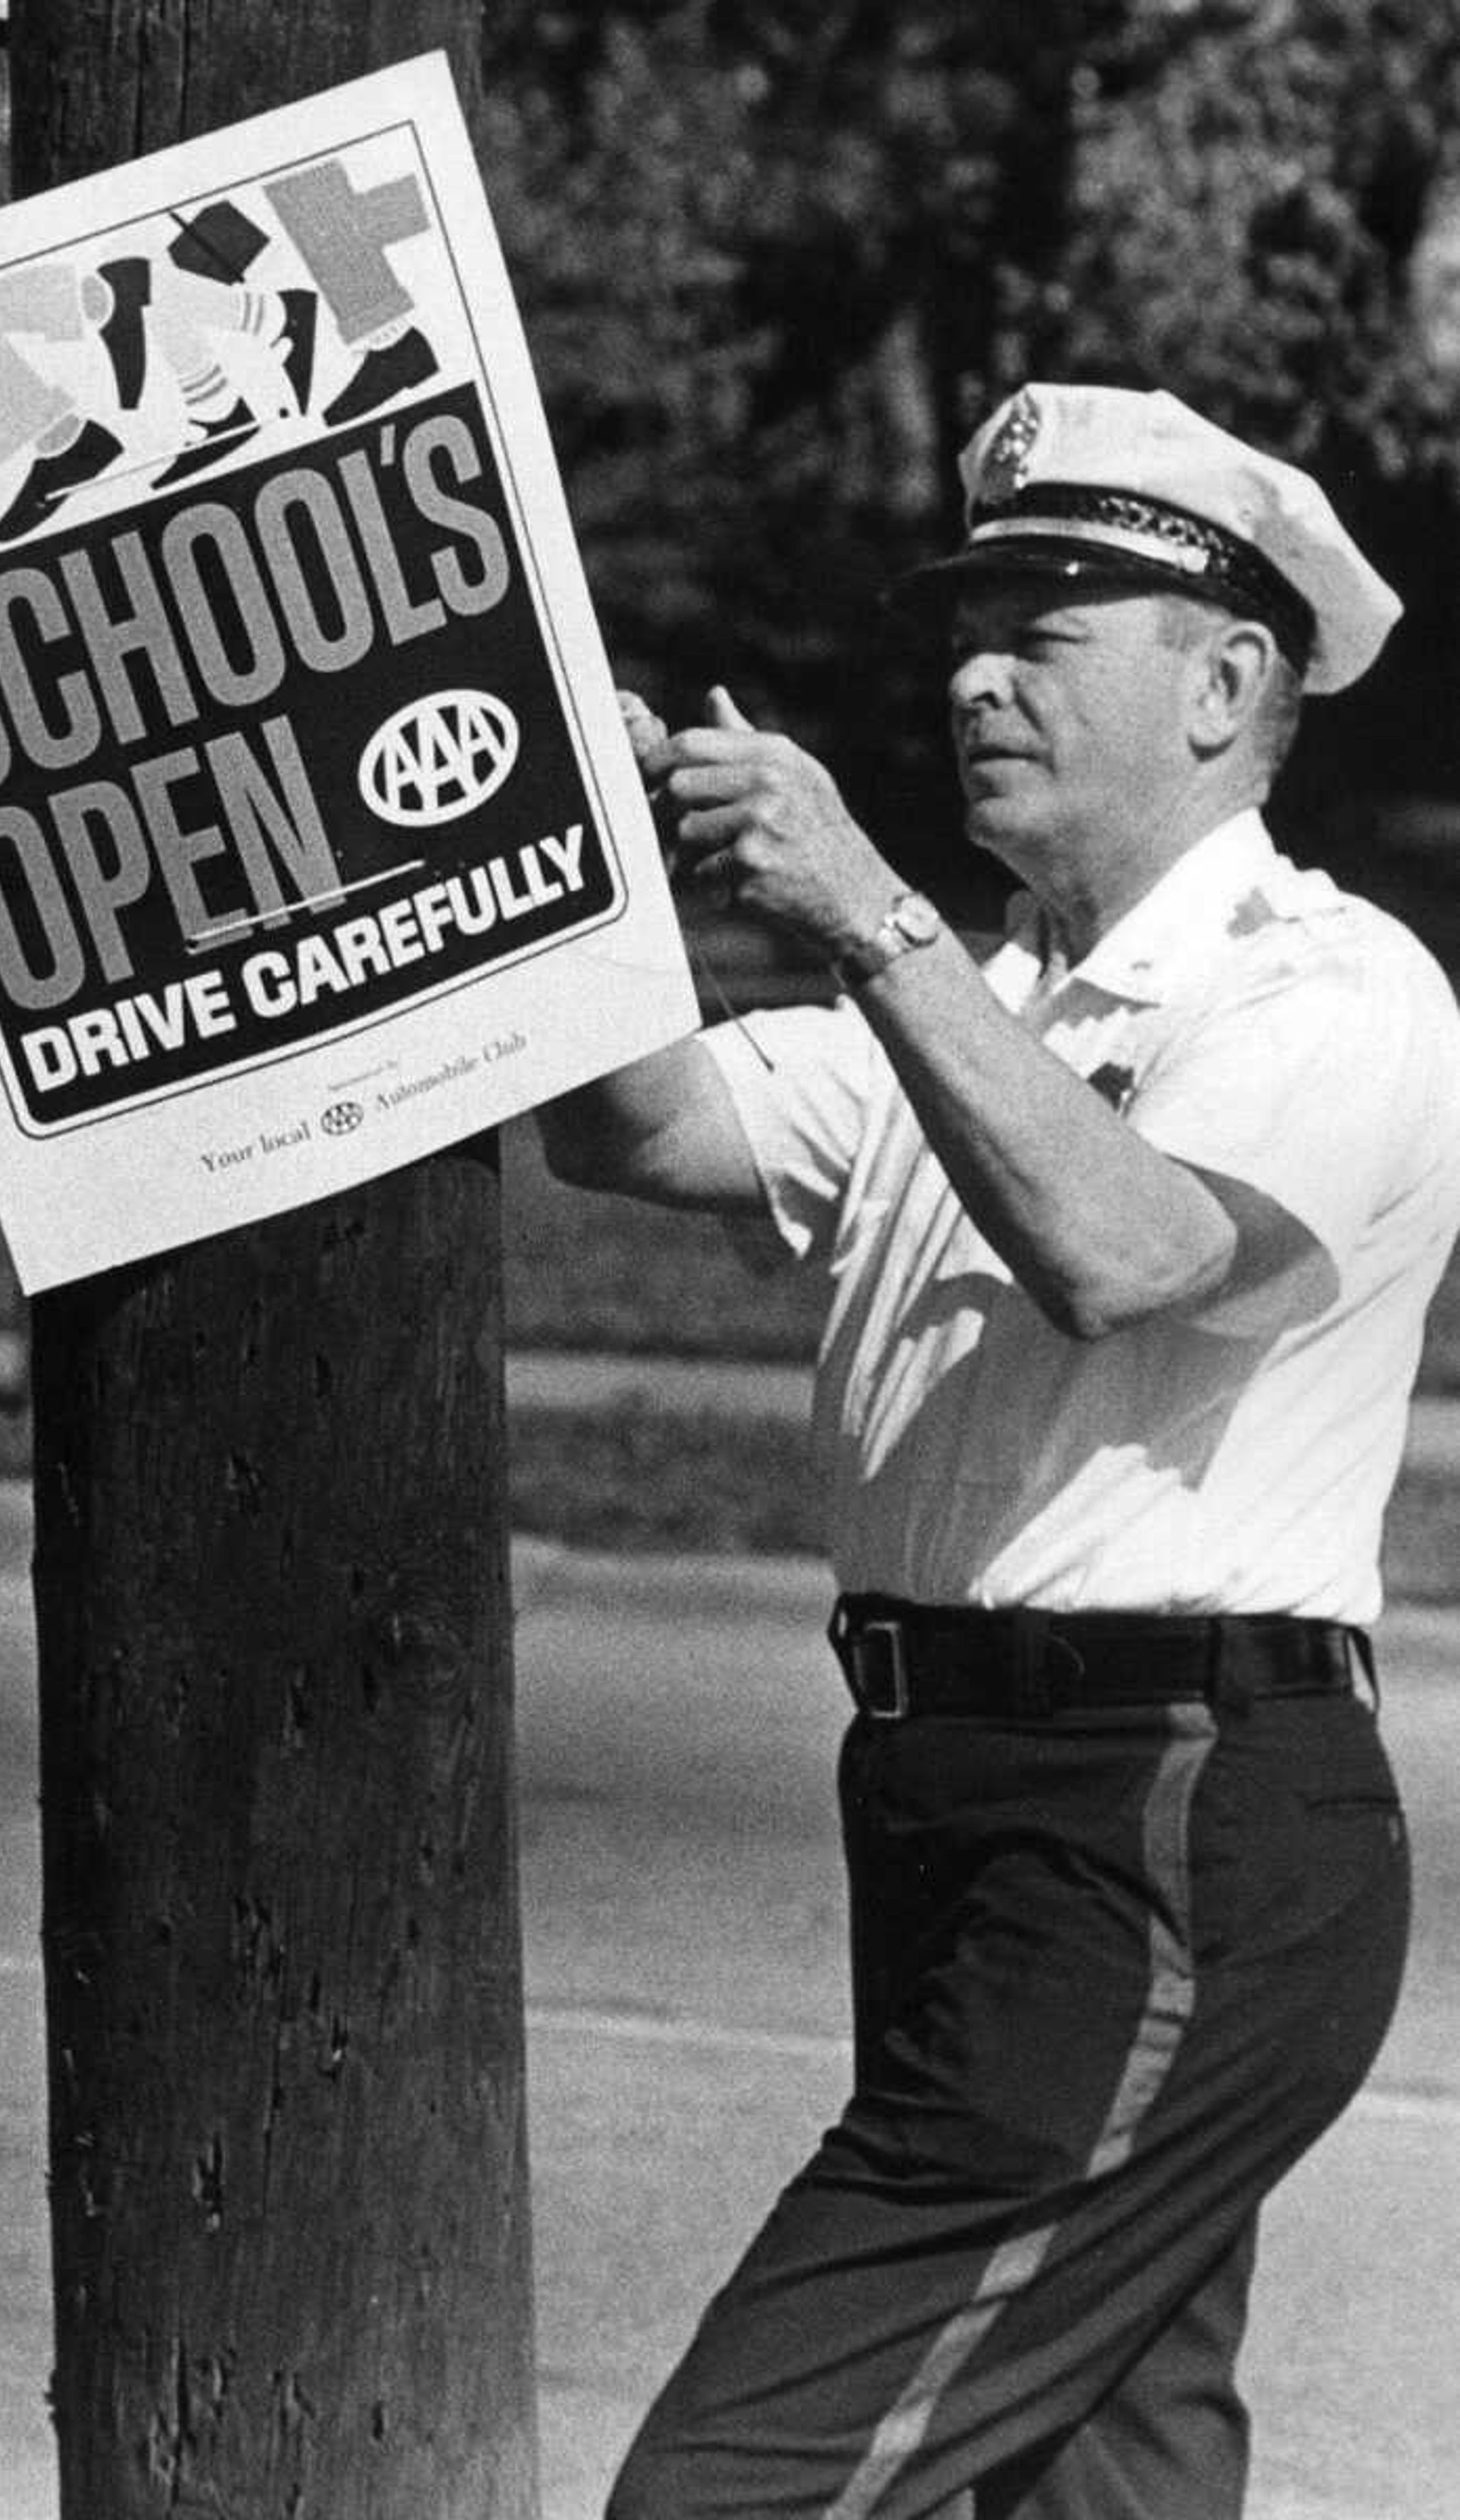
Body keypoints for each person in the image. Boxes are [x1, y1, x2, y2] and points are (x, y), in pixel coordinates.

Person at [539, 381, 1460, 2519]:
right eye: (967, 626)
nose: (970, 677)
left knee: (734, 2485)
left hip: (1167, 1811)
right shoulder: (985, 1007)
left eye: (1044, 631)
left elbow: (1131, 1248)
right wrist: (555, 845)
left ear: (1233, 681)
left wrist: (866, 909)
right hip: (960, 1796)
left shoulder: (1336, 989)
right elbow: (634, 1123)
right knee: (1096, 2485)